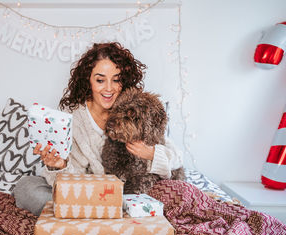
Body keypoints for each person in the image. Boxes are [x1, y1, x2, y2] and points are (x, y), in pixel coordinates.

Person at [13, 42, 183, 216]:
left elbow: (177, 159)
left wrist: (151, 153)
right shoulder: (72, 118)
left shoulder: (133, 108)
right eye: (100, 80)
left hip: (131, 192)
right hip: (89, 193)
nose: (108, 88)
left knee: (176, 192)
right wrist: (59, 166)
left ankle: (102, 214)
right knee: (27, 188)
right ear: (89, 81)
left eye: (116, 80)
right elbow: (70, 182)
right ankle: (110, 214)